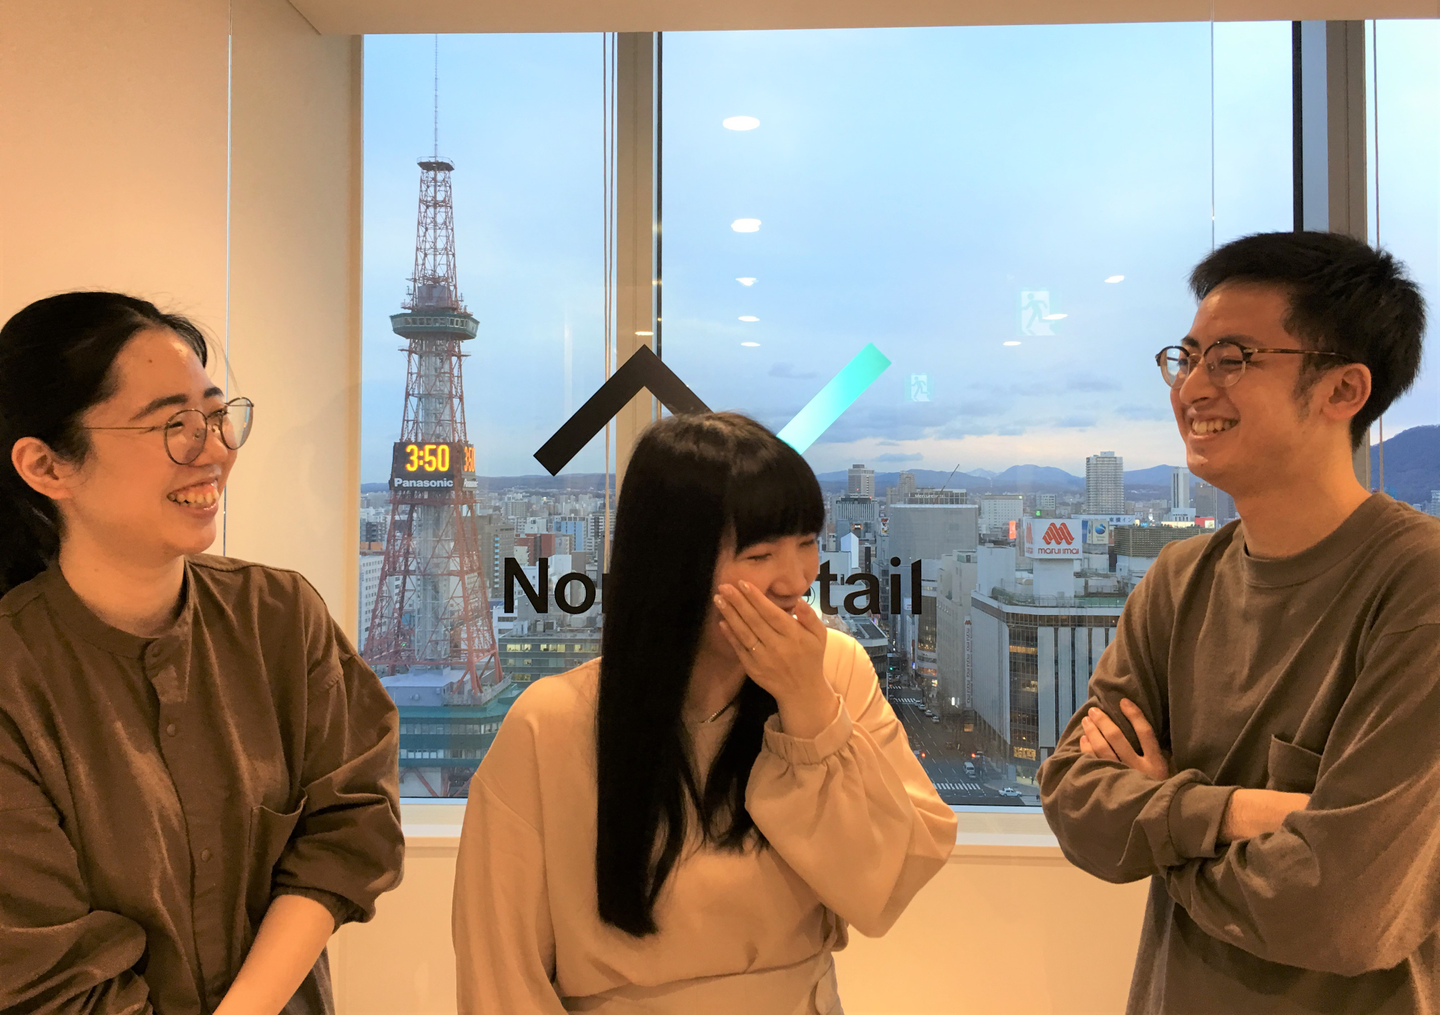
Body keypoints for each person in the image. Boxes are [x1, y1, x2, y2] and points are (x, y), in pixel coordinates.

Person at [1040, 231, 1440, 1013]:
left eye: (1232, 359)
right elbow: (1075, 803)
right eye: (1186, 358)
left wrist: (1162, 820)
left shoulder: (1416, 586)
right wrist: (1243, 812)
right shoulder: (1178, 579)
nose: (1192, 387)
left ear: (1343, 390)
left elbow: (1342, 908)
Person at [452, 412, 956, 1014]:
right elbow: (501, 974)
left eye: (807, 544)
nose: (796, 579)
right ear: (674, 567)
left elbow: (888, 882)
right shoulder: (552, 722)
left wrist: (809, 708)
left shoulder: (834, 670)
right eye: (761, 554)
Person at [0, 292, 404, 1014]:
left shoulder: (279, 617)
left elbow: (351, 826)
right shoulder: (15, 676)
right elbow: (44, 969)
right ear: (47, 467)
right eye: (172, 426)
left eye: (216, 416)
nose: (214, 450)